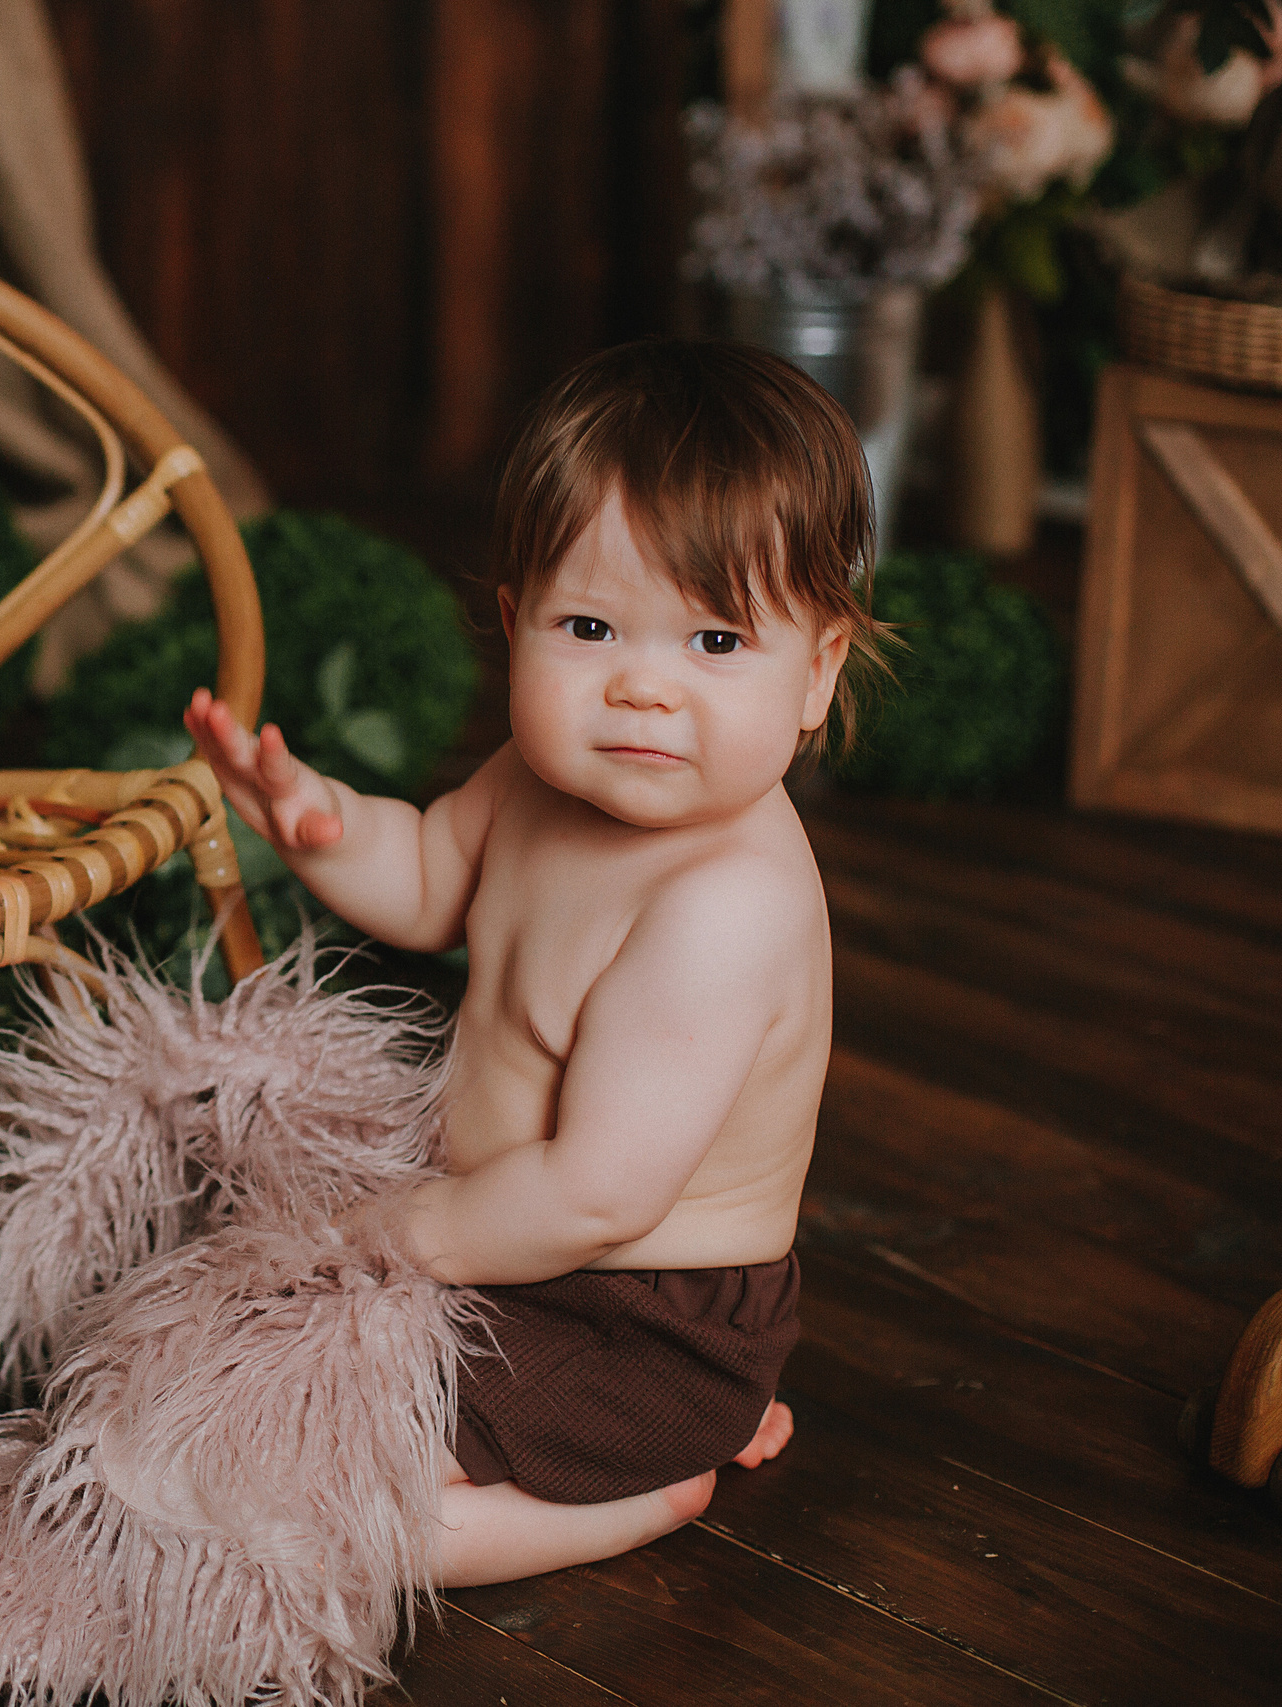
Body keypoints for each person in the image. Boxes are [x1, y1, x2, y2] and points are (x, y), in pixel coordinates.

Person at [183, 338, 888, 1589]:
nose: (641, 689)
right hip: (500, 1245)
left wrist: (381, 1232)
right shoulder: (534, 780)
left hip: (634, 1318)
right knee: (214, 1356)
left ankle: (651, 1483)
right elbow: (424, 882)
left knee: (307, 1510)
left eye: (715, 642)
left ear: (817, 672)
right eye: (590, 626)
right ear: (516, 625)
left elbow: (597, 1197)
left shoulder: (720, 908)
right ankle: (641, 1445)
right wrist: (320, 822)